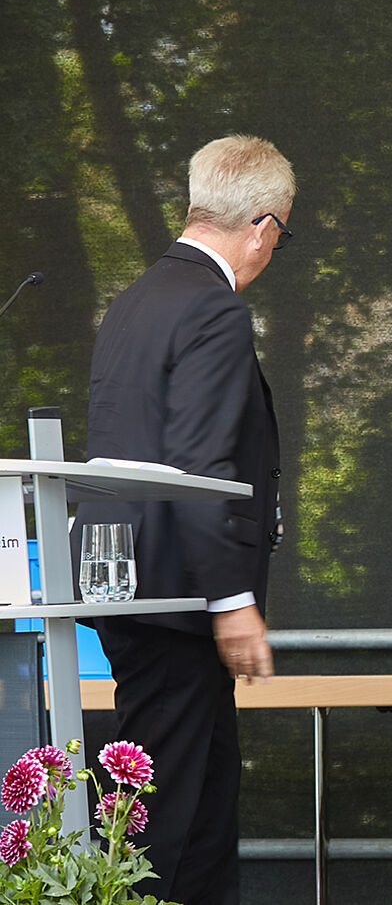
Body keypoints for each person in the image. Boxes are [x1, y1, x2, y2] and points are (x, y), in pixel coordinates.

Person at [71, 135, 294, 905]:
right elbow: (198, 470)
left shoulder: (134, 301)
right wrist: (232, 603)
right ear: (262, 224)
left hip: (128, 590)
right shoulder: (215, 309)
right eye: (281, 233)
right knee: (171, 826)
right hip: (182, 603)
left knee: (190, 809)